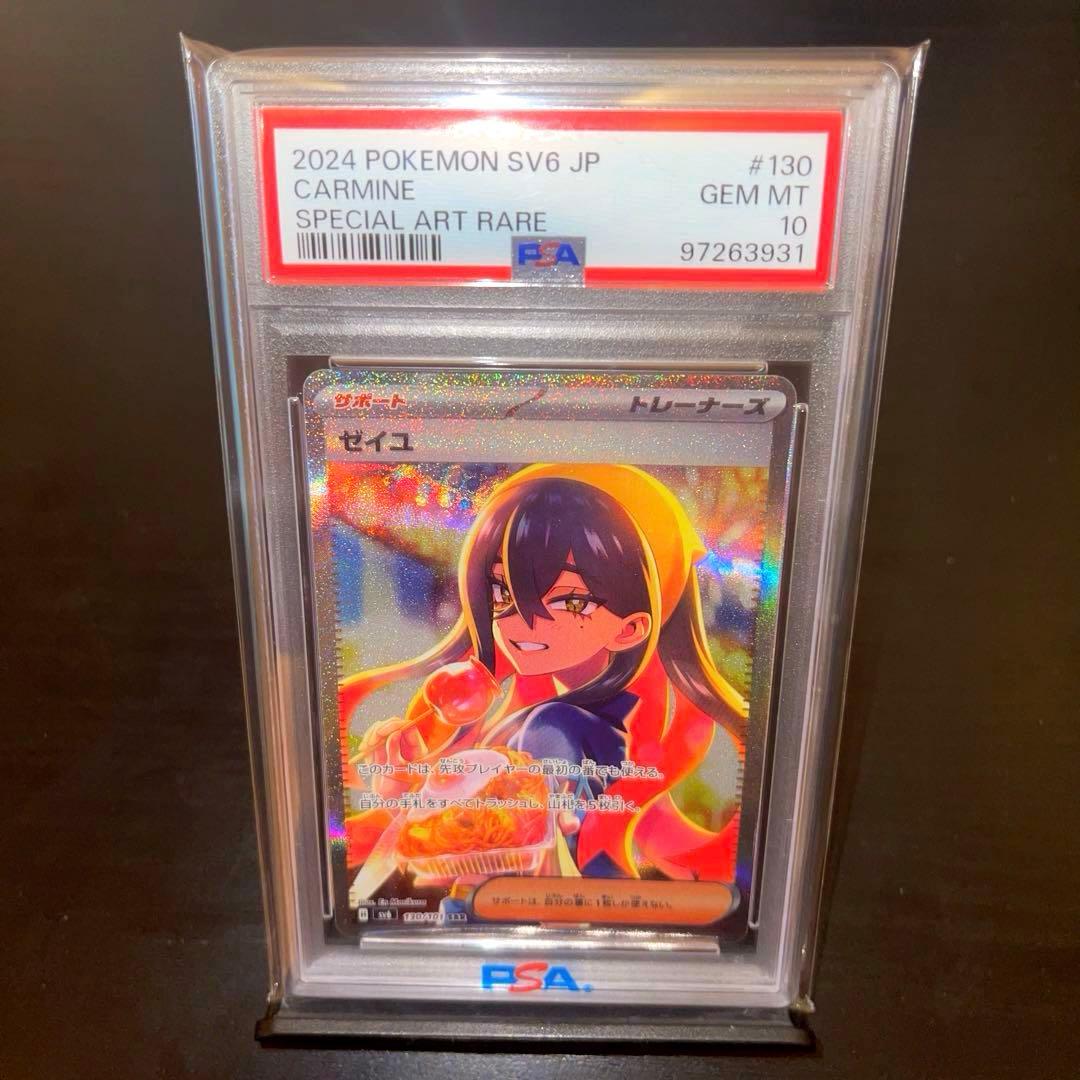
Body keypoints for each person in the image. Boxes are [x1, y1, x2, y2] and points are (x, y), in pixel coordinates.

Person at [344, 464, 747, 881]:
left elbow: (484, 847)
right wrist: (402, 788)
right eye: (502, 591)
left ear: (630, 628)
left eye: (571, 601)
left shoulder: (554, 728)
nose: (523, 621)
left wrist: (412, 799)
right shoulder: (566, 722)